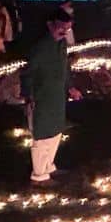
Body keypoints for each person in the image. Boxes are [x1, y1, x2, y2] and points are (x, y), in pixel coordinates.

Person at [20, 10, 82, 185]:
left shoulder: (61, 44)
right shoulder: (39, 48)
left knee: (56, 131)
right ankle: (39, 176)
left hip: (57, 96)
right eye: (61, 28)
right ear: (50, 24)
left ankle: (48, 167)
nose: (64, 32)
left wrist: (70, 87)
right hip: (42, 97)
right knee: (42, 135)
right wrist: (28, 96)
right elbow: (27, 74)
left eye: (67, 29)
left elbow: (65, 68)